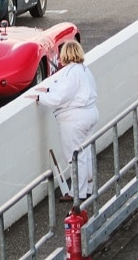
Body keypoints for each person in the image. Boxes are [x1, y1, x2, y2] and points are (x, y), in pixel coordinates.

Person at [31, 40, 99, 202]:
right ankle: (88, 188)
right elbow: (66, 88)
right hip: (90, 114)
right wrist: (49, 89)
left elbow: (60, 97)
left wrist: (41, 97)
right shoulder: (84, 70)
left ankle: (78, 192)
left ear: (65, 55)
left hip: (74, 120)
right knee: (86, 153)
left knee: (75, 157)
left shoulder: (70, 72)